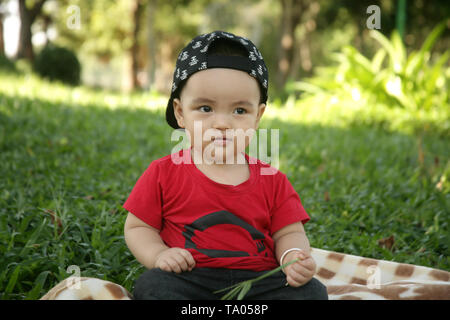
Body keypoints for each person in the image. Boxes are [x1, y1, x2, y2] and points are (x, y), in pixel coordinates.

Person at [122, 30, 328, 300]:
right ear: (181, 112)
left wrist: (292, 257)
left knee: (312, 292)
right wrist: (159, 254)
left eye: (239, 111)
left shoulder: (272, 179)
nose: (222, 123)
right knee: (153, 286)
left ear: (257, 117)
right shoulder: (163, 172)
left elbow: (289, 232)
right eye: (205, 108)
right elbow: (138, 228)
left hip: (258, 283)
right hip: (190, 278)